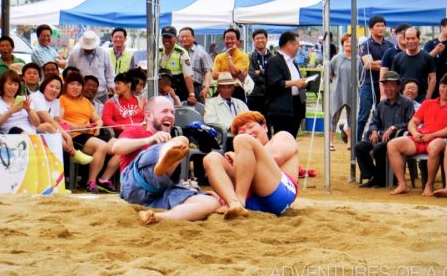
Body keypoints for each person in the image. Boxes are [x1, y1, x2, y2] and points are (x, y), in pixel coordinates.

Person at [114, 96, 221, 224]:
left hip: (160, 192)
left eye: (172, 112)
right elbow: (116, 148)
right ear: (148, 116)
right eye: (164, 111)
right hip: (134, 183)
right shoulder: (137, 130)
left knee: (211, 203)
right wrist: (149, 140)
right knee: (182, 140)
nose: (170, 115)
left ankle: (158, 217)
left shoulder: (171, 140)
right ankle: (160, 166)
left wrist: (194, 192)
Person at [202, 111, 300, 217]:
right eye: (242, 131)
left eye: (250, 126)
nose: (247, 132)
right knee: (211, 158)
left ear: (264, 127)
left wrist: (236, 158)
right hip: (252, 200)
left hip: (279, 193)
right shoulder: (244, 153)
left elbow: (275, 158)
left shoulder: (282, 136)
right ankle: (233, 202)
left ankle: (239, 200)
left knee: (242, 140)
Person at [386, 74, 447, 195]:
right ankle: (402, 184)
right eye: (443, 86)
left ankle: (429, 185)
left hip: (442, 139)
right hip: (421, 137)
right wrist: (414, 132)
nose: (445, 90)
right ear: (439, 87)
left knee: (433, 147)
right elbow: (413, 121)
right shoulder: (428, 103)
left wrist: (433, 135)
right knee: (392, 144)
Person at [355, 71, 414, 188]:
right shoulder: (382, 104)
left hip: (396, 140)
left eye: (392, 85)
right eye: (385, 85)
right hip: (380, 137)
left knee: (379, 148)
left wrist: (394, 127)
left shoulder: (407, 103)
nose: (388, 88)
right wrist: (374, 130)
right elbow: (374, 121)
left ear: (398, 86)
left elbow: (411, 123)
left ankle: (383, 179)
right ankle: (373, 176)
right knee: (359, 147)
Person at [59, 71, 109, 194]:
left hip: (89, 133)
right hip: (74, 134)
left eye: (78, 85)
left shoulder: (85, 101)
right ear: (66, 85)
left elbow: (97, 118)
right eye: (72, 84)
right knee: (102, 146)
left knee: (115, 144)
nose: (75, 87)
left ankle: (104, 179)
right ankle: (91, 182)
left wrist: (98, 125)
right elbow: (59, 120)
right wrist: (78, 127)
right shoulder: (62, 99)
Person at [266, 31, 306, 138]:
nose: (299, 48)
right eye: (298, 44)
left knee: (292, 138)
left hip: (296, 105)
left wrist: (302, 82)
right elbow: (274, 84)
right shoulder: (274, 61)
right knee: (282, 139)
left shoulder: (293, 62)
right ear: (289, 44)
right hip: (282, 108)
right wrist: (295, 83)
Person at [357, 16, 391, 142]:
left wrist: (378, 64)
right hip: (368, 84)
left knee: (381, 115)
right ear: (371, 28)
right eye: (378, 25)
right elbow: (368, 65)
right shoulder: (365, 45)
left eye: (383, 25)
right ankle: (356, 144)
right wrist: (385, 65)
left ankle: (378, 142)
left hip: (386, 86)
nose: (381, 28)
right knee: (363, 116)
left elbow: (391, 65)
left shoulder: (389, 45)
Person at [29, 75, 78, 160]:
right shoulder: (36, 97)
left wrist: (65, 134)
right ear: (44, 86)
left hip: (48, 131)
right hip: (33, 129)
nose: (54, 90)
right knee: (59, 135)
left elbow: (56, 121)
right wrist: (67, 137)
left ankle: (72, 154)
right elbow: (49, 120)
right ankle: (74, 153)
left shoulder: (56, 100)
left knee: (60, 134)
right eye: (51, 86)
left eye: (58, 88)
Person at [0, 70, 46, 134]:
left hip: (31, 135)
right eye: (9, 84)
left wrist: (29, 110)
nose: (13, 87)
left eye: (16, 85)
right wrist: (10, 111)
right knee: (15, 130)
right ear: (2, 85)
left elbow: (36, 124)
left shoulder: (24, 99)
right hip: (11, 136)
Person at [66, 30, 115, 102]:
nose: (89, 50)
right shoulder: (75, 54)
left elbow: (110, 73)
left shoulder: (103, 53)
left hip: (101, 94)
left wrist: (111, 85)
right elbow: (68, 72)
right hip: (81, 94)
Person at [329, 33, 359, 149]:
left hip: (352, 92)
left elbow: (360, 75)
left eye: (351, 42)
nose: (348, 44)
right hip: (338, 92)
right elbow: (330, 74)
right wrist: (338, 83)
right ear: (342, 44)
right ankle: (331, 142)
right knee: (334, 117)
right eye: (346, 42)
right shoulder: (336, 58)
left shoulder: (357, 59)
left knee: (352, 118)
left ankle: (350, 142)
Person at [390, 27, 436, 102]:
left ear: (418, 39)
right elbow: (393, 79)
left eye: (413, 38)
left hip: (421, 98)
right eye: (408, 38)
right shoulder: (397, 58)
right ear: (404, 40)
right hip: (402, 98)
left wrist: (428, 97)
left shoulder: (427, 57)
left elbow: (432, 78)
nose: (410, 41)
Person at [423, 18, 447, 99]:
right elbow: (422, 61)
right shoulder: (430, 44)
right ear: (442, 28)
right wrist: (435, 51)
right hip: (433, 85)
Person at [159, 26, 196, 104]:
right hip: (160, 89)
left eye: (169, 37)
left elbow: (188, 76)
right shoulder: (157, 51)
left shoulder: (182, 53)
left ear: (175, 38)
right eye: (164, 37)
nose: (166, 40)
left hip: (178, 89)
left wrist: (191, 95)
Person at [212, 27, 249, 102]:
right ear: (224, 40)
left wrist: (228, 56)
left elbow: (234, 72)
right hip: (221, 89)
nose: (229, 41)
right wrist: (234, 75)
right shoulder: (219, 57)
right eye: (227, 38)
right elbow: (214, 75)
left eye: (232, 38)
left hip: (237, 90)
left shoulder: (243, 56)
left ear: (238, 41)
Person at [102, 72, 145, 136]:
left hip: (142, 132)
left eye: (119, 83)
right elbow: (106, 120)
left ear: (129, 84)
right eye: (115, 83)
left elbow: (148, 116)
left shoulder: (142, 101)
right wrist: (121, 127)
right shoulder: (111, 102)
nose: (116, 86)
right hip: (123, 134)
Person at [179, 27, 213, 102]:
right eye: (182, 37)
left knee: (197, 111)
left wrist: (206, 87)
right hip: (180, 87)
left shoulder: (201, 53)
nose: (184, 39)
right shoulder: (177, 52)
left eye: (187, 36)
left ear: (194, 38)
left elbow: (208, 71)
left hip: (196, 87)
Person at [379, 23, 411, 98]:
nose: (403, 35)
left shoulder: (416, 53)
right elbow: (383, 75)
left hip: (414, 93)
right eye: (400, 33)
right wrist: (383, 94)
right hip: (394, 92)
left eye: (405, 33)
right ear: (396, 36)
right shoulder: (389, 53)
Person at [246, 28, 272, 115]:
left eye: (262, 38)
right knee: (254, 121)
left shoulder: (273, 57)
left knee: (268, 123)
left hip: (270, 95)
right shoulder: (249, 57)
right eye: (257, 38)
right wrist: (267, 76)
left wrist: (260, 72)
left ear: (267, 39)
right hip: (254, 95)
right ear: (253, 40)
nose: (260, 40)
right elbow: (251, 76)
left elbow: (274, 76)